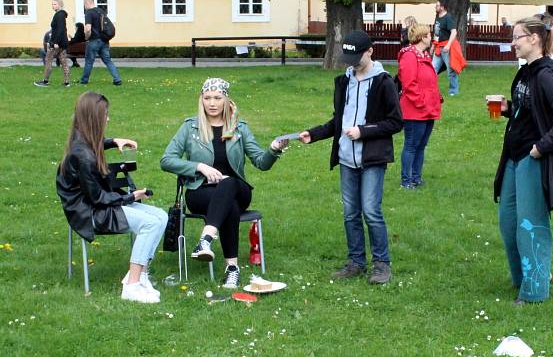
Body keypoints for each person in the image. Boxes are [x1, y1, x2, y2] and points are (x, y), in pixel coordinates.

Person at [161, 78, 288, 289]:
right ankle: (232, 269)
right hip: (200, 191)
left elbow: (261, 163)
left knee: (228, 183)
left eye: (217, 98)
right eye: (207, 98)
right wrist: (199, 167)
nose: (212, 103)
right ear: (201, 100)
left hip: (238, 190)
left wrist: (274, 150)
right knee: (229, 206)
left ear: (227, 101)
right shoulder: (190, 127)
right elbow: (166, 160)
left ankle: (206, 239)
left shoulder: (240, 128)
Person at [299, 30, 403, 285]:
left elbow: (395, 122)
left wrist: (364, 132)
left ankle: (381, 264)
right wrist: (314, 134)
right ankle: (356, 262)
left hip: (372, 159)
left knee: (371, 211)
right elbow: (339, 120)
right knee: (350, 213)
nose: (353, 61)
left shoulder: (383, 82)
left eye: (357, 56)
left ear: (370, 51)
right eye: (349, 57)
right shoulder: (343, 82)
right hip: (347, 158)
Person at [492, 14, 553, 304]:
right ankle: (523, 278)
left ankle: (535, 290)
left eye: (517, 37)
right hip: (514, 157)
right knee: (508, 221)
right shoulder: (526, 71)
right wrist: (508, 108)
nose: (513, 42)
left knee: (531, 224)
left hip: (532, 159)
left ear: (534, 39)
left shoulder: (546, 75)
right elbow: (529, 107)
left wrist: (541, 147)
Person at [56, 91, 167, 303]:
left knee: (161, 216)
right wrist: (131, 197)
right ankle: (132, 286)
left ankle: (140, 274)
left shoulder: (83, 142)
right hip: (89, 213)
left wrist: (113, 141)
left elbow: (94, 145)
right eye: (105, 114)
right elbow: (98, 199)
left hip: (98, 205)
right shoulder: (83, 156)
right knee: (150, 224)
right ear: (94, 118)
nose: (108, 118)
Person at [397, 23, 441, 189]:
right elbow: (409, 85)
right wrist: (422, 102)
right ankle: (406, 180)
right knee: (411, 145)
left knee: (421, 145)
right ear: (422, 37)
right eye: (429, 35)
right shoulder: (409, 56)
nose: (432, 38)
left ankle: (416, 177)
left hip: (427, 109)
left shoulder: (423, 55)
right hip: (415, 110)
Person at [80, 0, 122, 86]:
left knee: (89, 61)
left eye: (84, 5)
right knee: (107, 60)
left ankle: (84, 80)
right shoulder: (101, 11)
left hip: (94, 40)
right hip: (104, 40)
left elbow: (88, 28)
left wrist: (86, 37)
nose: (84, 7)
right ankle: (117, 79)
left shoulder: (89, 13)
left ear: (87, 3)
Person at [431, 0, 466, 96]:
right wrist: (433, 46)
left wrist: (448, 45)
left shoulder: (448, 17)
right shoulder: (438, 18)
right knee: (432, 69)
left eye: (437, 6)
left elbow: (454, 32)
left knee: (451, 70)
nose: (436, 7)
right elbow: (437, 34)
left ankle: (453, 92)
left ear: (442, 7)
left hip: (447, 48)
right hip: (438, 48)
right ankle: (431, 90)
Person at [34, 0, 70, 87]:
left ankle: (45, 81)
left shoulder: (59, 15)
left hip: (57, 43)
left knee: (48, 60)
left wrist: (55, 42)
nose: (53, 6)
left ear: (60, 5)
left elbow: (60, 30)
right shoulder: (61, 15)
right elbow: (61, 30)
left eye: (55, 4)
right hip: (62, 43)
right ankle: (67, 82)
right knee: (63, 61)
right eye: (52, 4)